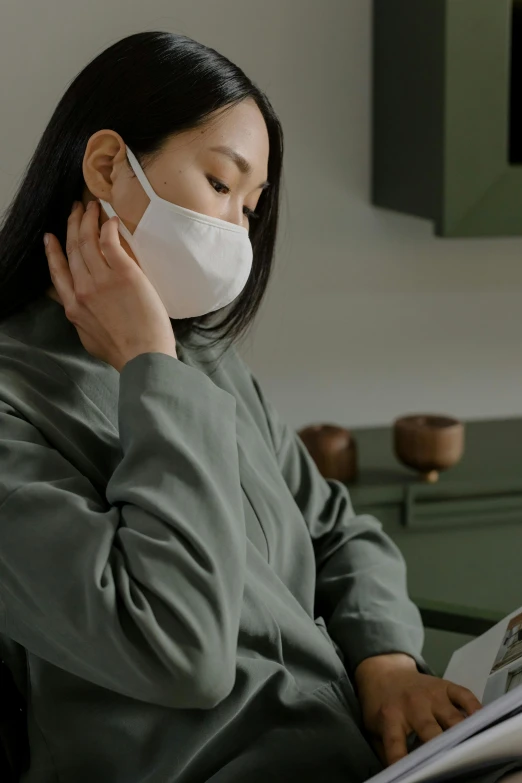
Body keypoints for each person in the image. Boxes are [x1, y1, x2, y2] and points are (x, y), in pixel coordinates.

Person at [0, 30, 517, 783]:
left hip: (357, 752)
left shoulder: (204, 359)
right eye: (220, 184)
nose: (238, 232)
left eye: (252, 204)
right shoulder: (20, 404)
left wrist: (388, 666)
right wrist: (149, 367)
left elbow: (338, 530)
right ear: (109, 166)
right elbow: (179, 651)